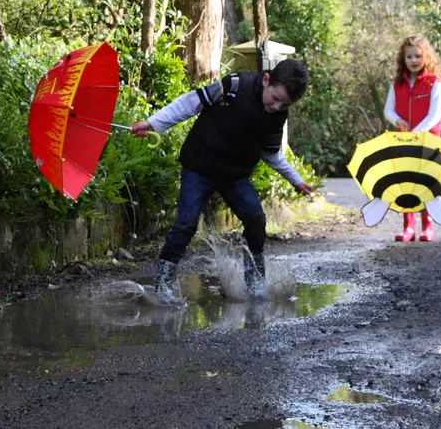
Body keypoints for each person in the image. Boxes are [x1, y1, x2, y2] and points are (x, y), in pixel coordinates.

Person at [131, 59, 314, 299]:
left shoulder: (277, 116)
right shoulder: (234, 85)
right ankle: (163, 284)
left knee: (255, 218)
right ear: (266, 79)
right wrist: (153, 123)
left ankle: (255, 283)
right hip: (199, 166)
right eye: (275, 98)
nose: (276, 106)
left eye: (284, 104)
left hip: (234, 176)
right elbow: (191, 103)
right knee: (186, 223)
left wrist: (295, 179)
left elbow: (271, 153)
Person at [384, 35, 441, 242]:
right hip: (403, 141)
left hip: (429, 141)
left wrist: (417, 132)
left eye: (418, 56)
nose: (413, 60)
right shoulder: (397, 84)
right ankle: (408, 227)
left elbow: (435, 115)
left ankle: (427, 227)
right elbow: (388, 110)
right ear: (403, 59)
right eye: (409, 56)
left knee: (426, 182)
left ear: (426, 56)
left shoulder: (434, 83)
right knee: (406, 183)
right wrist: (398, 121)